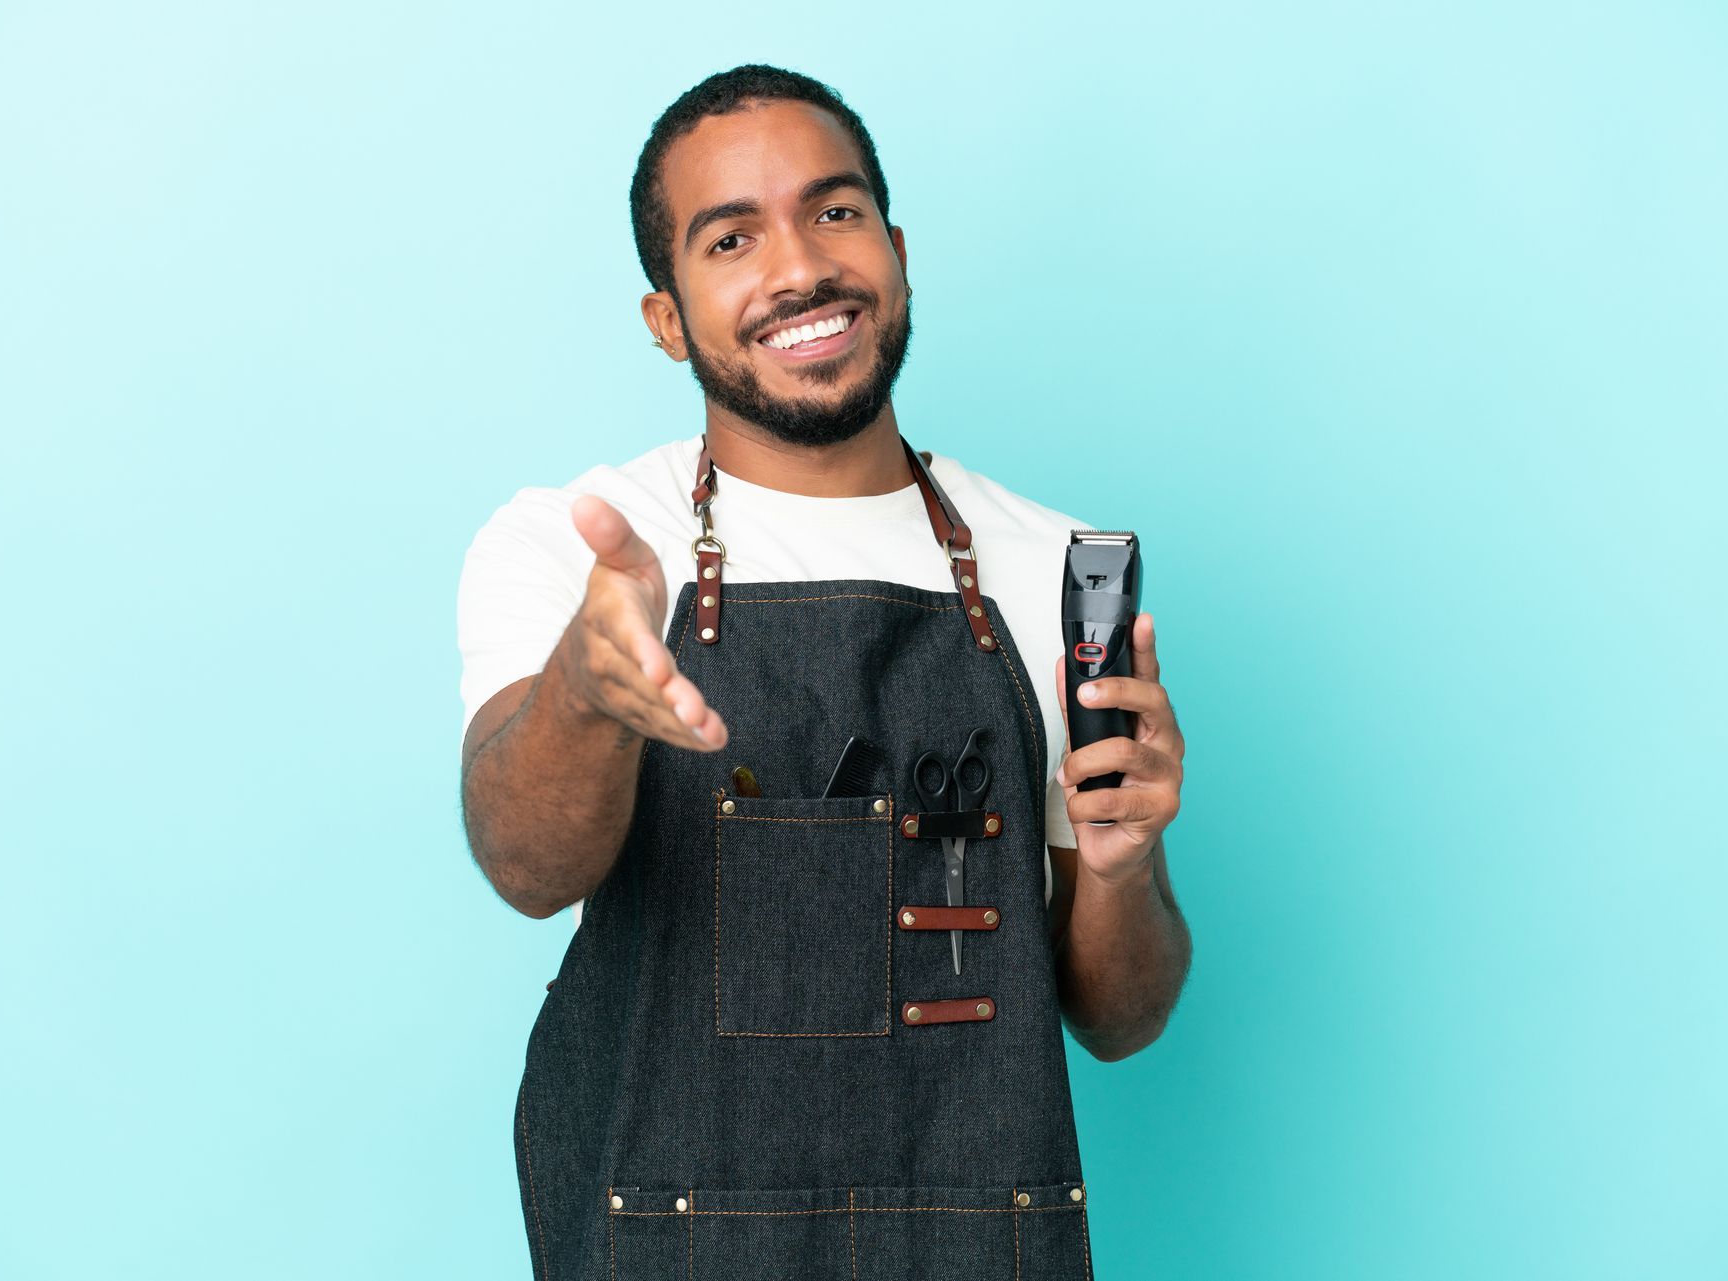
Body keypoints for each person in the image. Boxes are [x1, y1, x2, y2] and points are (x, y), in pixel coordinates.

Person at [456, 64, 1191, 1279]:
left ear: (896, 249)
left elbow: (1118, 1017)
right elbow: (527, 868)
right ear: (666, 315)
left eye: (834, 212)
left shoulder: (1054, 565)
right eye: (731, 238)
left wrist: (1124, 859)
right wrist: (586, 696)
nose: (799, 269)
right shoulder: (582, 544)